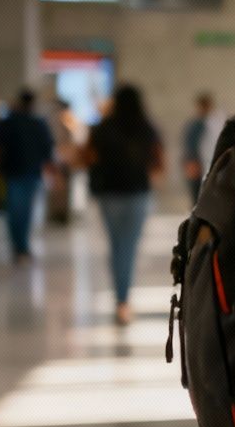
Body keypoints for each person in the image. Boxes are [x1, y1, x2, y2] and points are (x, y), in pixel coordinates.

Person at [82, 85, 163, 325]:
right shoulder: (147, 128)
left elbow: (87, 156)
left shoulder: (103, 128)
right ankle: (123, 301)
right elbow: (158, 161)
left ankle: (120, 298)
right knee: (128, 246)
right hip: (137, 193)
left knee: (117, 245)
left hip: (109, 193)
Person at [0, 89, 57, 263]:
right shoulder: (39, 123)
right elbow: (48, 151)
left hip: (14, 172)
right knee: (25, 211)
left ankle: (19, 246)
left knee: (14, 210)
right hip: (31, 173)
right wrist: (52, 173)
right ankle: (21, 246)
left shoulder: (9, 122)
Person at [180, 92, 222, 202]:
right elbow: (189, 146)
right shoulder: (194, 125)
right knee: (197, 197)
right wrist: (190, 162)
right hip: (198, 165)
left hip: (214, 165)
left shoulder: (217, 123)